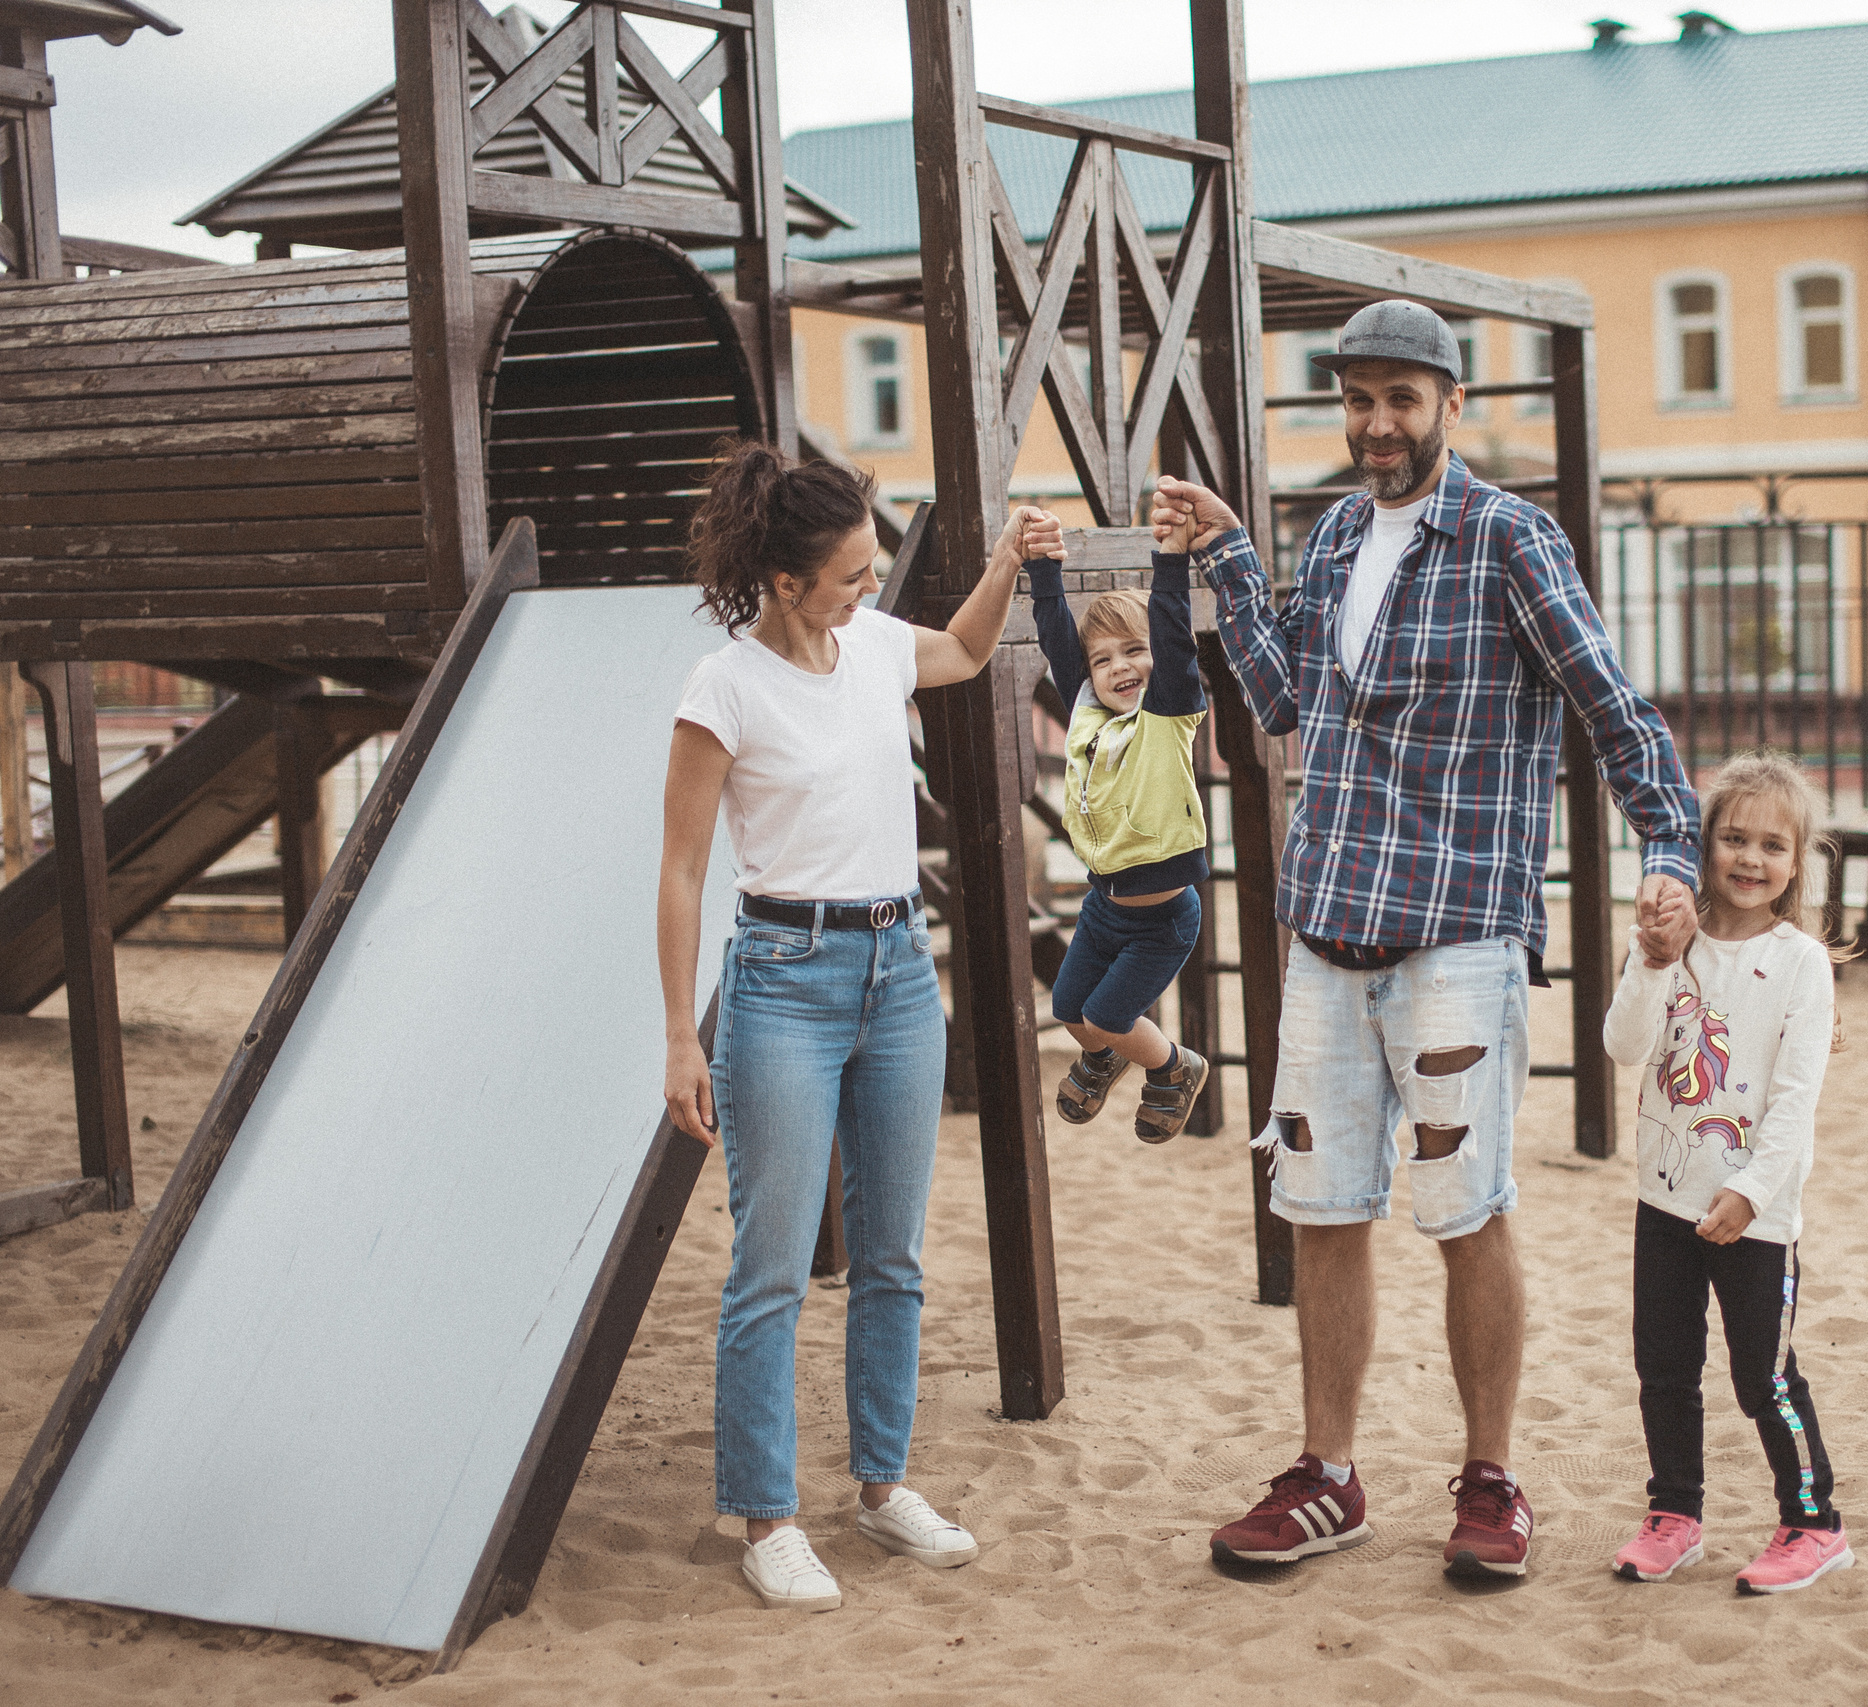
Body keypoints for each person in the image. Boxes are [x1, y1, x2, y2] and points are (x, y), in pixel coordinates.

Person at [1152, 299, 1702, 1582]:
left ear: (1449, 405)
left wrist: (1668, 850)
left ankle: (1491, 1480)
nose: (1377, 424)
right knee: (1319, 1205)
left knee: (1464, 1210)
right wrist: (1235, 555)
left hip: (1457, 936)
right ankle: (1328, 1477)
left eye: (1402, 399)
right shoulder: (1339, 530)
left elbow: (1614, 713)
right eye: (1357, 398)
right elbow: (1288, 701)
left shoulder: (1511, 539)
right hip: (1324, 930)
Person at [657, 439, 1062, 1612]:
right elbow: (683, 872)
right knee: (771, 1268)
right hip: (781, 977)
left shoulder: (880, 648)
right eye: (846, 575)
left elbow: (971, 647)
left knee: (892, 1257)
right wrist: (683, 1036)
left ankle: (882, 1489)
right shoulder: (722, 688)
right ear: (784, 583)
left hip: (897, 971)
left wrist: (1003, 560)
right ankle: (766, 1517)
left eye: (870, 570)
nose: (867, 589)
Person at [1601, 749, 1853, 1596]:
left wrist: (1751, 1192)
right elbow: (1624, 1045)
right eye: (1733, 839)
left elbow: (1794, 1102)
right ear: (1702, 847)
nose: (1750, 859)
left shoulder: (1800, 965)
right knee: (1664, 1367)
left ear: (1797, 861)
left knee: (1763, 1375)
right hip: (1663, 1200)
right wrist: (1651, 957)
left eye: (1772, 845)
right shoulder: (1676, 944)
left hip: (1756, 1213)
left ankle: (1813, 1521)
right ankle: (1676, 1513)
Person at [1030, 506, 1213, 1141]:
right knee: (1067, 1009)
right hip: (1103, 906)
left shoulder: (1166, 719)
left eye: (1134, 651)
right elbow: (1058, 638)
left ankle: (1175, 1068)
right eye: (1103, 660)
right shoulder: (1089, 713)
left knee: (1107, 1014)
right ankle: (1106, 1058)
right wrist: (1042, 568)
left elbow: (1172, 633)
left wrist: (1169, 561)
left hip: (1162, 920)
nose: (1120, 668)